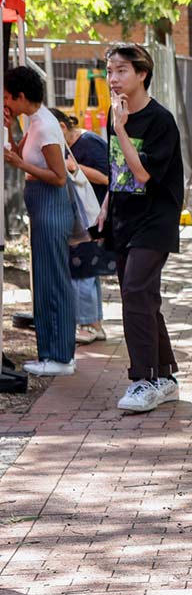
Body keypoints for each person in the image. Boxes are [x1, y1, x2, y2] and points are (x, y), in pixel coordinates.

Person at [100, 43, 185, 413]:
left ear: (142, 74)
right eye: (109, 71)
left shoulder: (159, 120)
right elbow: (118, 169)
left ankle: (143, 379)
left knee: (135, 291)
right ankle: (165, 376)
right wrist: (105, 204)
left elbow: (142, 173)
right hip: (124, 217)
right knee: (143, 297)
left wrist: (120, 128)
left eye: (121, 71)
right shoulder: (113, 115)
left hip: (156, 219)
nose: (113, 79)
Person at [3, 66, 76, 376]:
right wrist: (9, 129)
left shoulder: (45, 126)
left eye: (8, 98)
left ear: (22, 96)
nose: (5, 102)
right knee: (44, 280)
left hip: (50, 206)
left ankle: (60, 355)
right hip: (42, 207)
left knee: (54, 280)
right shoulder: (35, 121)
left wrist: (19, 163)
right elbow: (21, 154)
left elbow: (60, 177)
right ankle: (50, 352)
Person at [52, 108, 112, 345]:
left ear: (63, 127)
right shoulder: (72, 146)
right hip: (83, 218)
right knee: (85, 271)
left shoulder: (89, 142)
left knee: (83, 271)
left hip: (92, 216)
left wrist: (75, 167)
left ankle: (89, 324)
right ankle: (94, 324)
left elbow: (108, 177)